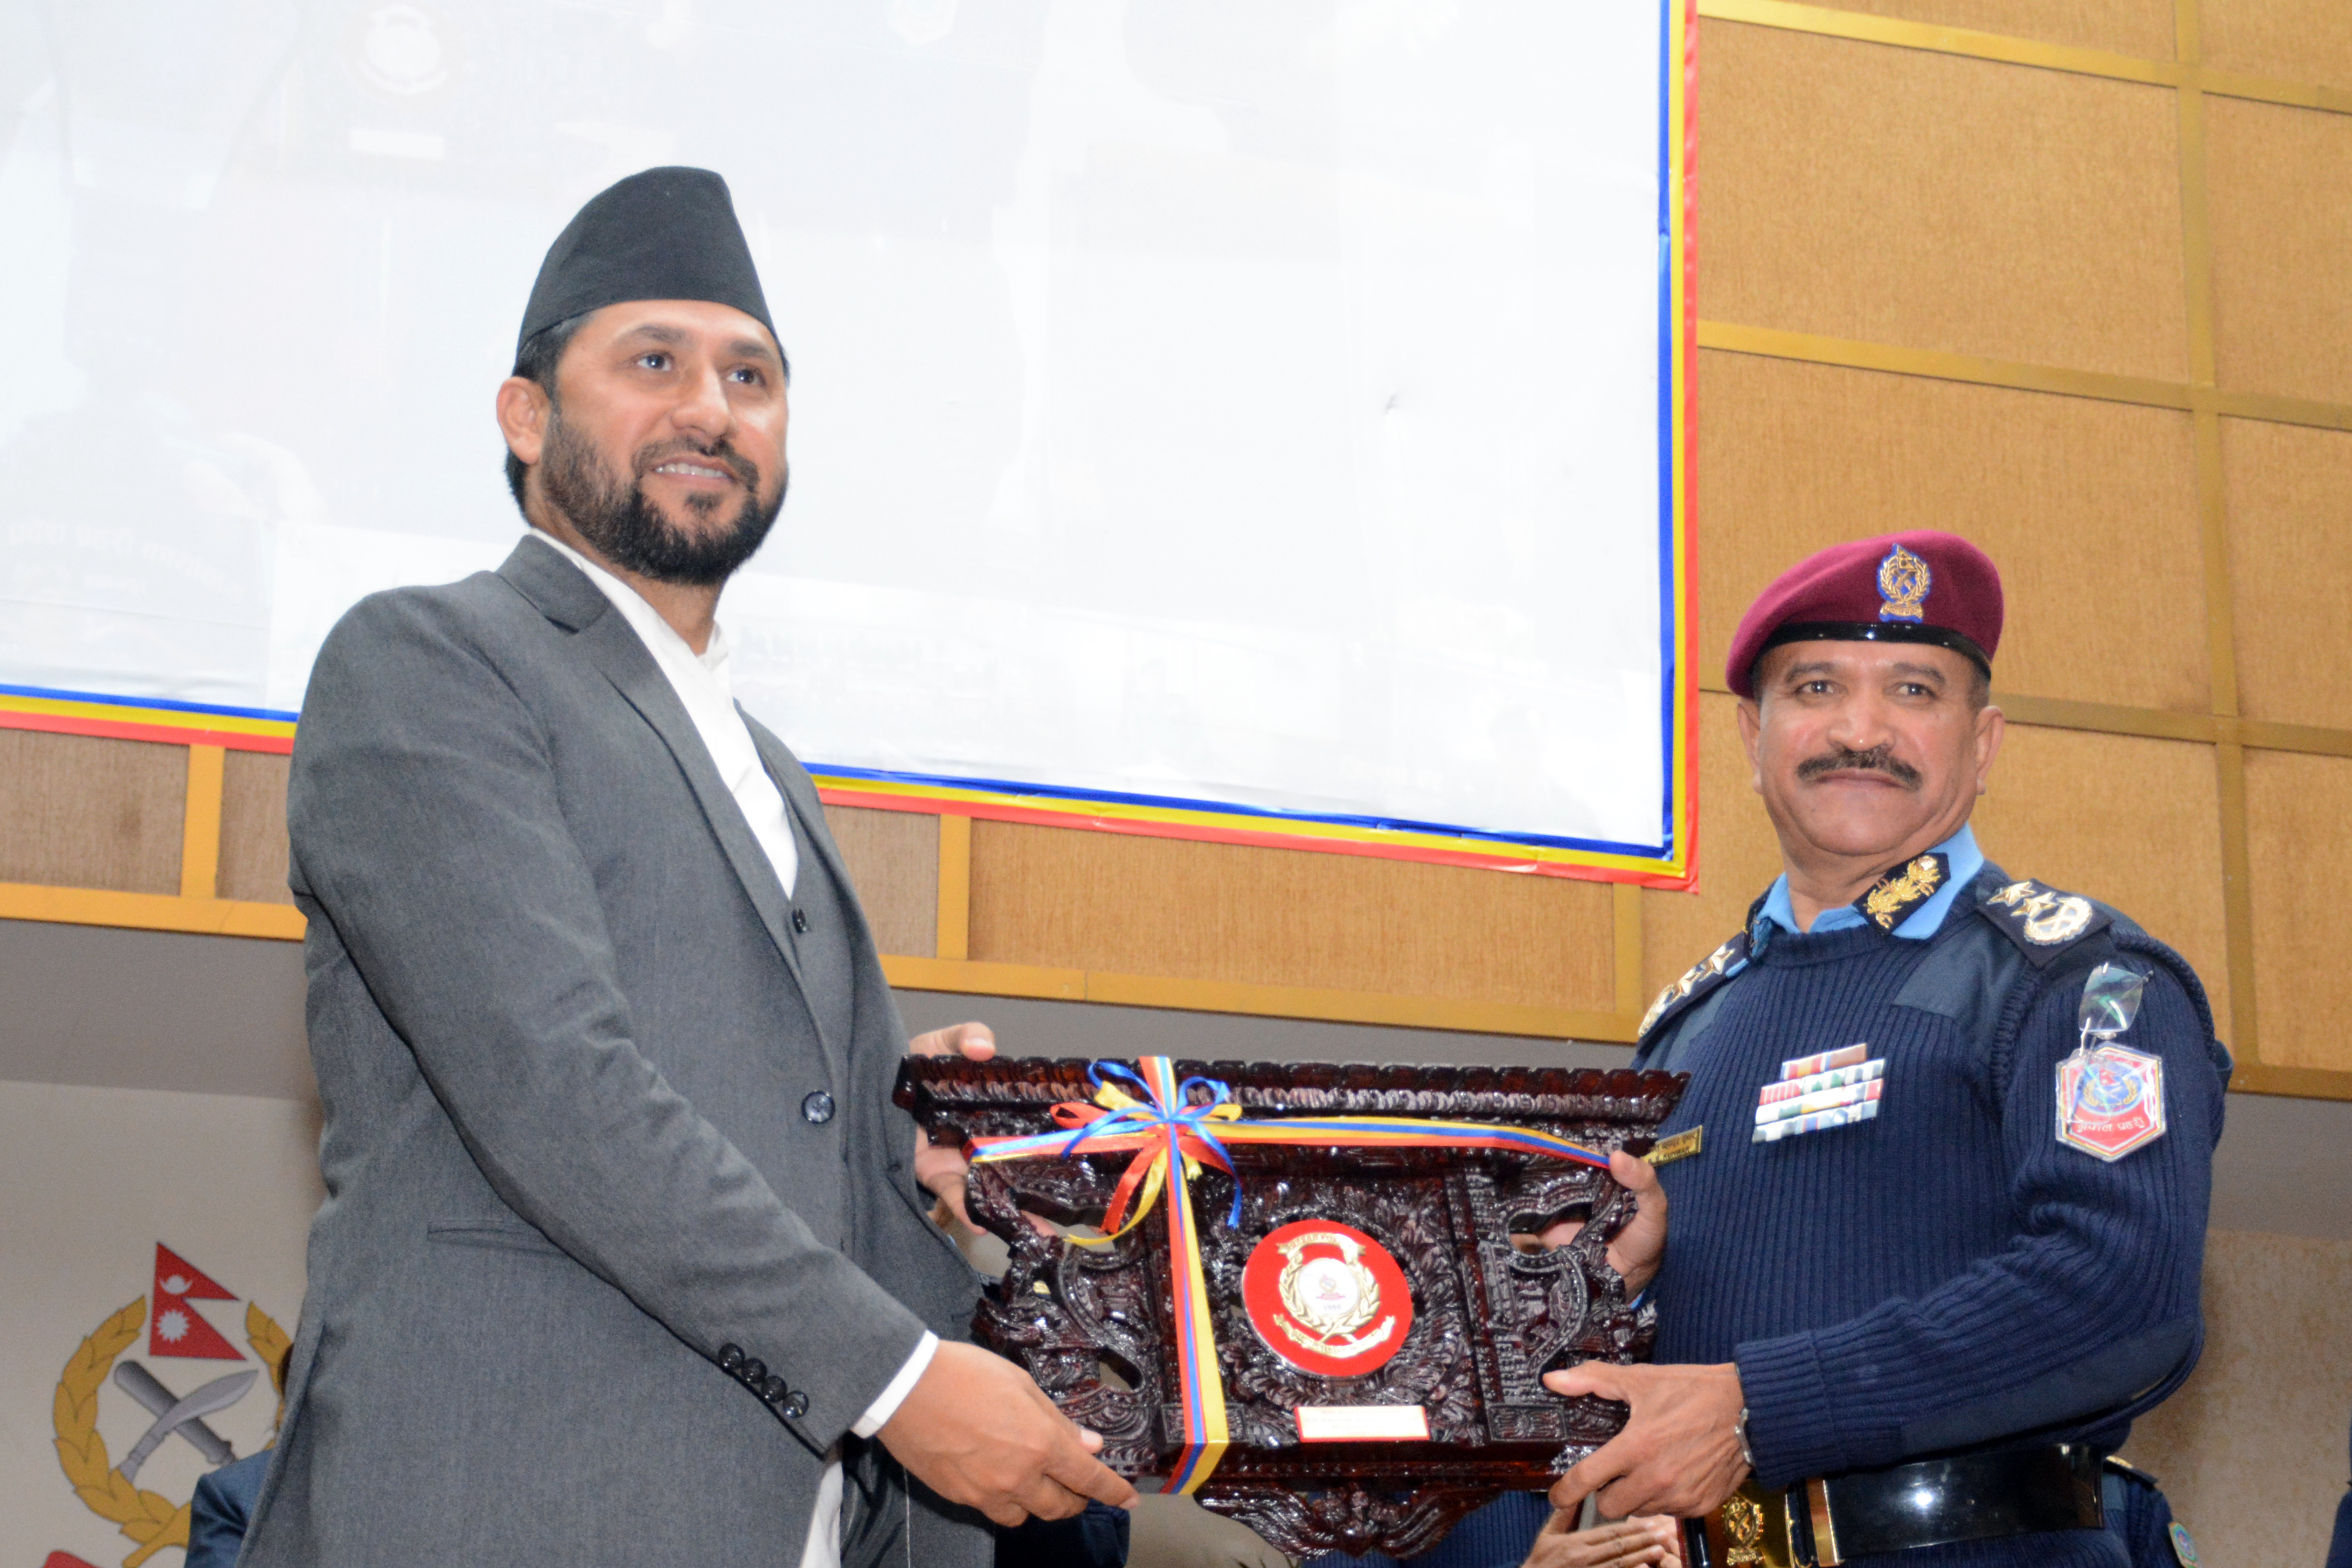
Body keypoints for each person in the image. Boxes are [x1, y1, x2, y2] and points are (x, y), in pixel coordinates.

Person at [239, 166, 1134, 1567]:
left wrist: (898, 1139)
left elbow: (753, 1124)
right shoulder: (431, 658)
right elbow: (551, 1084)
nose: (711, 409)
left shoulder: (770, 768)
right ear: (526, 416)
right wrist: (899, 1382)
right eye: (653, 362)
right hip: (513, 1513)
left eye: (750, 378)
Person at [1540, 533, 2230, 1565]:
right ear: (1752, 736)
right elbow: (1660, 1391)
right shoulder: (1688, 1028)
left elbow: (2120, 1291)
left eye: (1913, 691)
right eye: (1816, 688)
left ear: (1982, 743)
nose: (1860, 732)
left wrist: (1761, 1407)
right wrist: (1614, 1296)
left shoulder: (2084, 980)